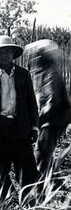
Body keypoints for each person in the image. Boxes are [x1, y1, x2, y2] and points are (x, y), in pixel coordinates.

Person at [0, 35, 39, 201]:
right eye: (0, 53)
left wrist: (34, 127)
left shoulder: (23, 75)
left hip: (20, 127)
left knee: (27, 169)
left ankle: (30, 204)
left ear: (13, 54)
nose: (4, 55)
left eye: (7, 52)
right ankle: (5, 205)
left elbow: (31, 102)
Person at [25, 39, 71, 176]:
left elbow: (52, 102)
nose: (35, 58)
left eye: (37, 55)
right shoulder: (43, 72)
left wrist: (38, 120)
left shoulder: (51, 74)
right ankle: (47, 177)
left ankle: (41, 184)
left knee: (42, 151)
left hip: (53, 120)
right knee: (44, 151)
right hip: (53, 118)